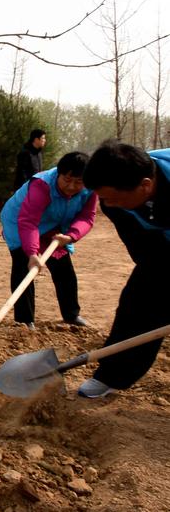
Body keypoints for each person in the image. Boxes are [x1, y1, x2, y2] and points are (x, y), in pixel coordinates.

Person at [76, 140, 170, 399]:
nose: (109, 205)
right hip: (162, 247)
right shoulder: (114, 203)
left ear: (145, 186)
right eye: (104, 198)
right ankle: (112, 375)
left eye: (114, 198)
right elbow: (147, 254)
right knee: (137, 302)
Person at [0, 152, 96, 329]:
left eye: (78, 182)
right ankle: (24, 321)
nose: (72, 186)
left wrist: (71, 236)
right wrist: (32, 253)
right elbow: (28, 221)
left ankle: (71, 315)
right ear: (58, 174)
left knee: (64, 269)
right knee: (24, 267)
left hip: (54, 228)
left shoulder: (91, 189)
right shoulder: (42, 185)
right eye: (67, 180)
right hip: (20, 222)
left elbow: (87, 217)